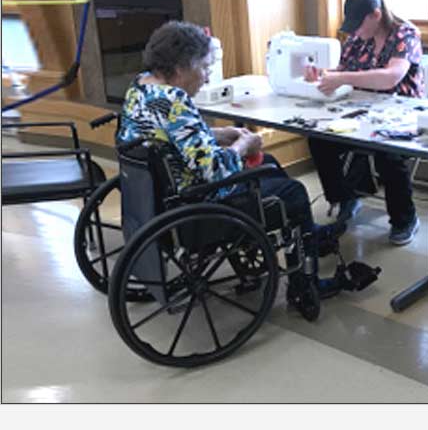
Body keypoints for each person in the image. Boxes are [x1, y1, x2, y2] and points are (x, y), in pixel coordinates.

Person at [116, 21, 345, 282]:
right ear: (180, 68)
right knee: (293, 192)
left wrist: (219, 134)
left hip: (157, 193)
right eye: (203, 68)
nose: (205, 76)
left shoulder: (141, 87)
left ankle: (308, 234)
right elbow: (215, 170)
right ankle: (305, 283)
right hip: (195, 201)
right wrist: (242, 145)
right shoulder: (175, 101)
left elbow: (166, 137)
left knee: (267, 162)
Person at [305, 0, 423, 245]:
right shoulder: (357, 39)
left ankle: (405, 218)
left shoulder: (405, 34)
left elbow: (391, 76)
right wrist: (323, 74)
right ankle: (345, 196)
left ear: (376, 15)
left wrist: (341, 77)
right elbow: (342, 70)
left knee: (386, 151)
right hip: (362, 114)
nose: (354, 31)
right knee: (318, 139)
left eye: (359, 24)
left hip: (402, 115)